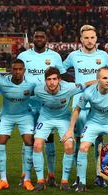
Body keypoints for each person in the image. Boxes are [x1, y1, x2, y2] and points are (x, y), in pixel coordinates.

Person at [62, 24, 108, 187]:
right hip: (80, 103)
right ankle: (79, 177)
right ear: (81, 39)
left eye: (92, 37)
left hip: (99, 104)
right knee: (79, 140)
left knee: (98, 140)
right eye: (86, 37)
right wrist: (74, 86)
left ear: (96, 39)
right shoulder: (73, 56)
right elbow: (61, 71)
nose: (90, 40)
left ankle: (99, 176)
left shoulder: (104, 56)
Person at [63, 67, 108, 192]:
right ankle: (81, 182)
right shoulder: (88, 92)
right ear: (98, 79)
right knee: (83, 147)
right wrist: (70, 129)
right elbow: (77, 109)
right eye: (104, 78)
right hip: (93, 123)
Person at [32, 67, 96, 191]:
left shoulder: (69, 88)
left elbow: (86, 84)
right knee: (37, 145)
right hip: (45, 118)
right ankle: (40, 181)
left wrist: (102, 80)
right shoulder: (38, 90)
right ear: (45, 80)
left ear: (59, 80)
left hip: (63, 119)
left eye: (55, 79)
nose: (52, 82)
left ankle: (64, 182)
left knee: (69, 146)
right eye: (49, 79)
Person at [17, 26, 66, 186]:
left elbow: (63, 77)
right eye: (36, 37)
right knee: (28, 139)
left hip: (48, 105)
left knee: (49, 139)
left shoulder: (55, 56)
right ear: (32, 39)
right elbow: (18, 77)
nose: (39, 39)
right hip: (28, 105)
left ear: (46, 39)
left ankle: (51, 175)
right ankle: (25, 175)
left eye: (42, 37)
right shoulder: (23, 56)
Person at [0, 59, 37, 191]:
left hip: (25, 116)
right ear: (11, 70)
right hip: (6, 116)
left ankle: (27, 179)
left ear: (24, 71)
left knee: (29, 140)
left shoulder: (32, 83)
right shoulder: (2, 81)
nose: (17, 72)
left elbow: (42, 92)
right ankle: (3, 180)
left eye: (20, 69)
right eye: (15, 69)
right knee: (0, 140)